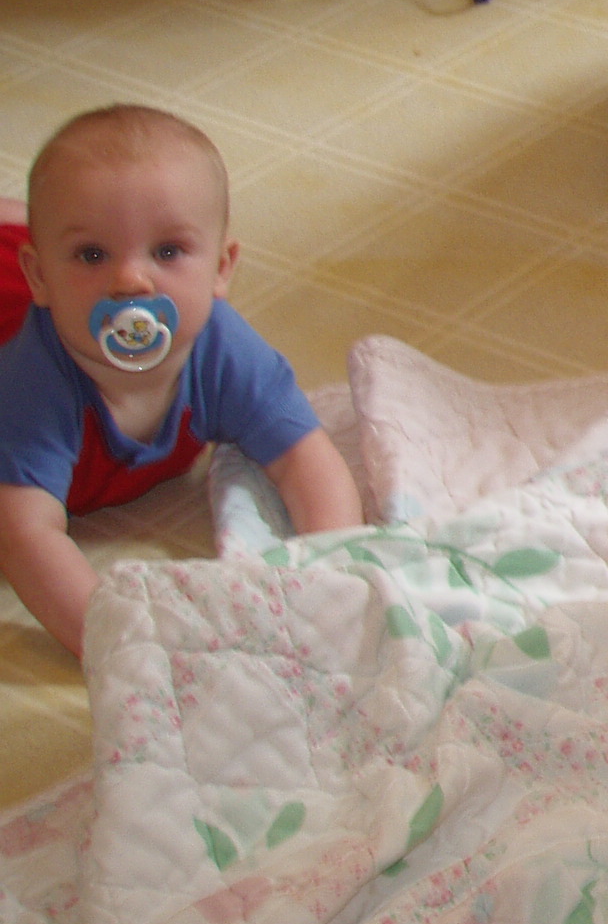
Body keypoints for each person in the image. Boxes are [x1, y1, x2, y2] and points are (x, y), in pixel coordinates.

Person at [0, 106, 364, 659]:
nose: (130, 280)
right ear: (42, 276)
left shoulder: (223, 350)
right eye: (92, 255)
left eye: (168, 251)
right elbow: (27, 536)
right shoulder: (31, 388)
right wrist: (124, 645)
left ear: (221, 268)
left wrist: (331, 576)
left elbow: (304, 458)